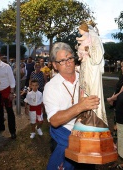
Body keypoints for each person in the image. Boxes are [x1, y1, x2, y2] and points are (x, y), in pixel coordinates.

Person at [43, 42, 100, 170]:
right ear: (55, 65)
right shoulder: (51, 87)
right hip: (64, 137)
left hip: (88, 138)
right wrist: (81, 106)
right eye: (62, 60)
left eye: (69, 58)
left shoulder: (86, 78)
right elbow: (55, 121)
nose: (68, 62)